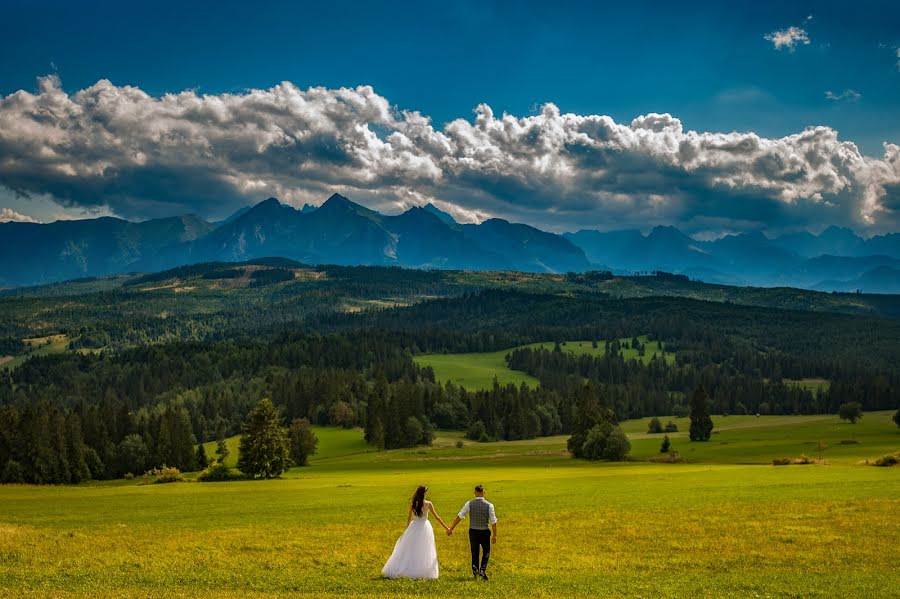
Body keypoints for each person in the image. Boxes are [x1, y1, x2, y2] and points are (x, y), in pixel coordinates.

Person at [382, 485, 451, 580]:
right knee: (424, 549)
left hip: (414, 526)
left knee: (411, 548)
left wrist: (407, 529)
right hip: (424, 527)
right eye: (427, 491)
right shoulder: (428, 504)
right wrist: (447, 528)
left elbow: (409, 517)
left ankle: (409, 567)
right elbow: (437, 518)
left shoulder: (413, 502)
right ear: (424, 492)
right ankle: (421, 570)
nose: (427, 492)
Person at [447, 484, 498, 581]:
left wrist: (451, 528)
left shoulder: (469, 504)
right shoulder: (489, 505)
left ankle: (475, 572)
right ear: (484, 493)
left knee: (474, 552)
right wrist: (495, 535)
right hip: (484, 531)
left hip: (473, 531)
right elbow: (493, 521)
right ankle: (483, 570)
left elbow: (460, 516)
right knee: (486, 551)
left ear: (475, 493)